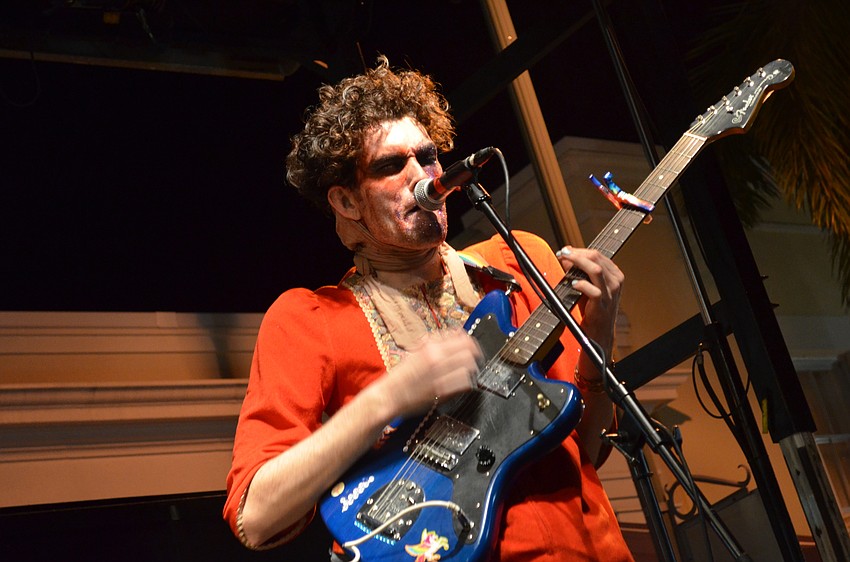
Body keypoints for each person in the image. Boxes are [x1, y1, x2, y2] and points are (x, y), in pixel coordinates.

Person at [224, 57, 633, 561]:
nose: (424, 176)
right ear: (348, 203)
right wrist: (389, 396)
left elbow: (585, 453)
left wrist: (599, 341)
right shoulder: (309, 319)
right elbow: (256, 516)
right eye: (391, 166)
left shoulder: (519, 262)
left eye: (429, 156)